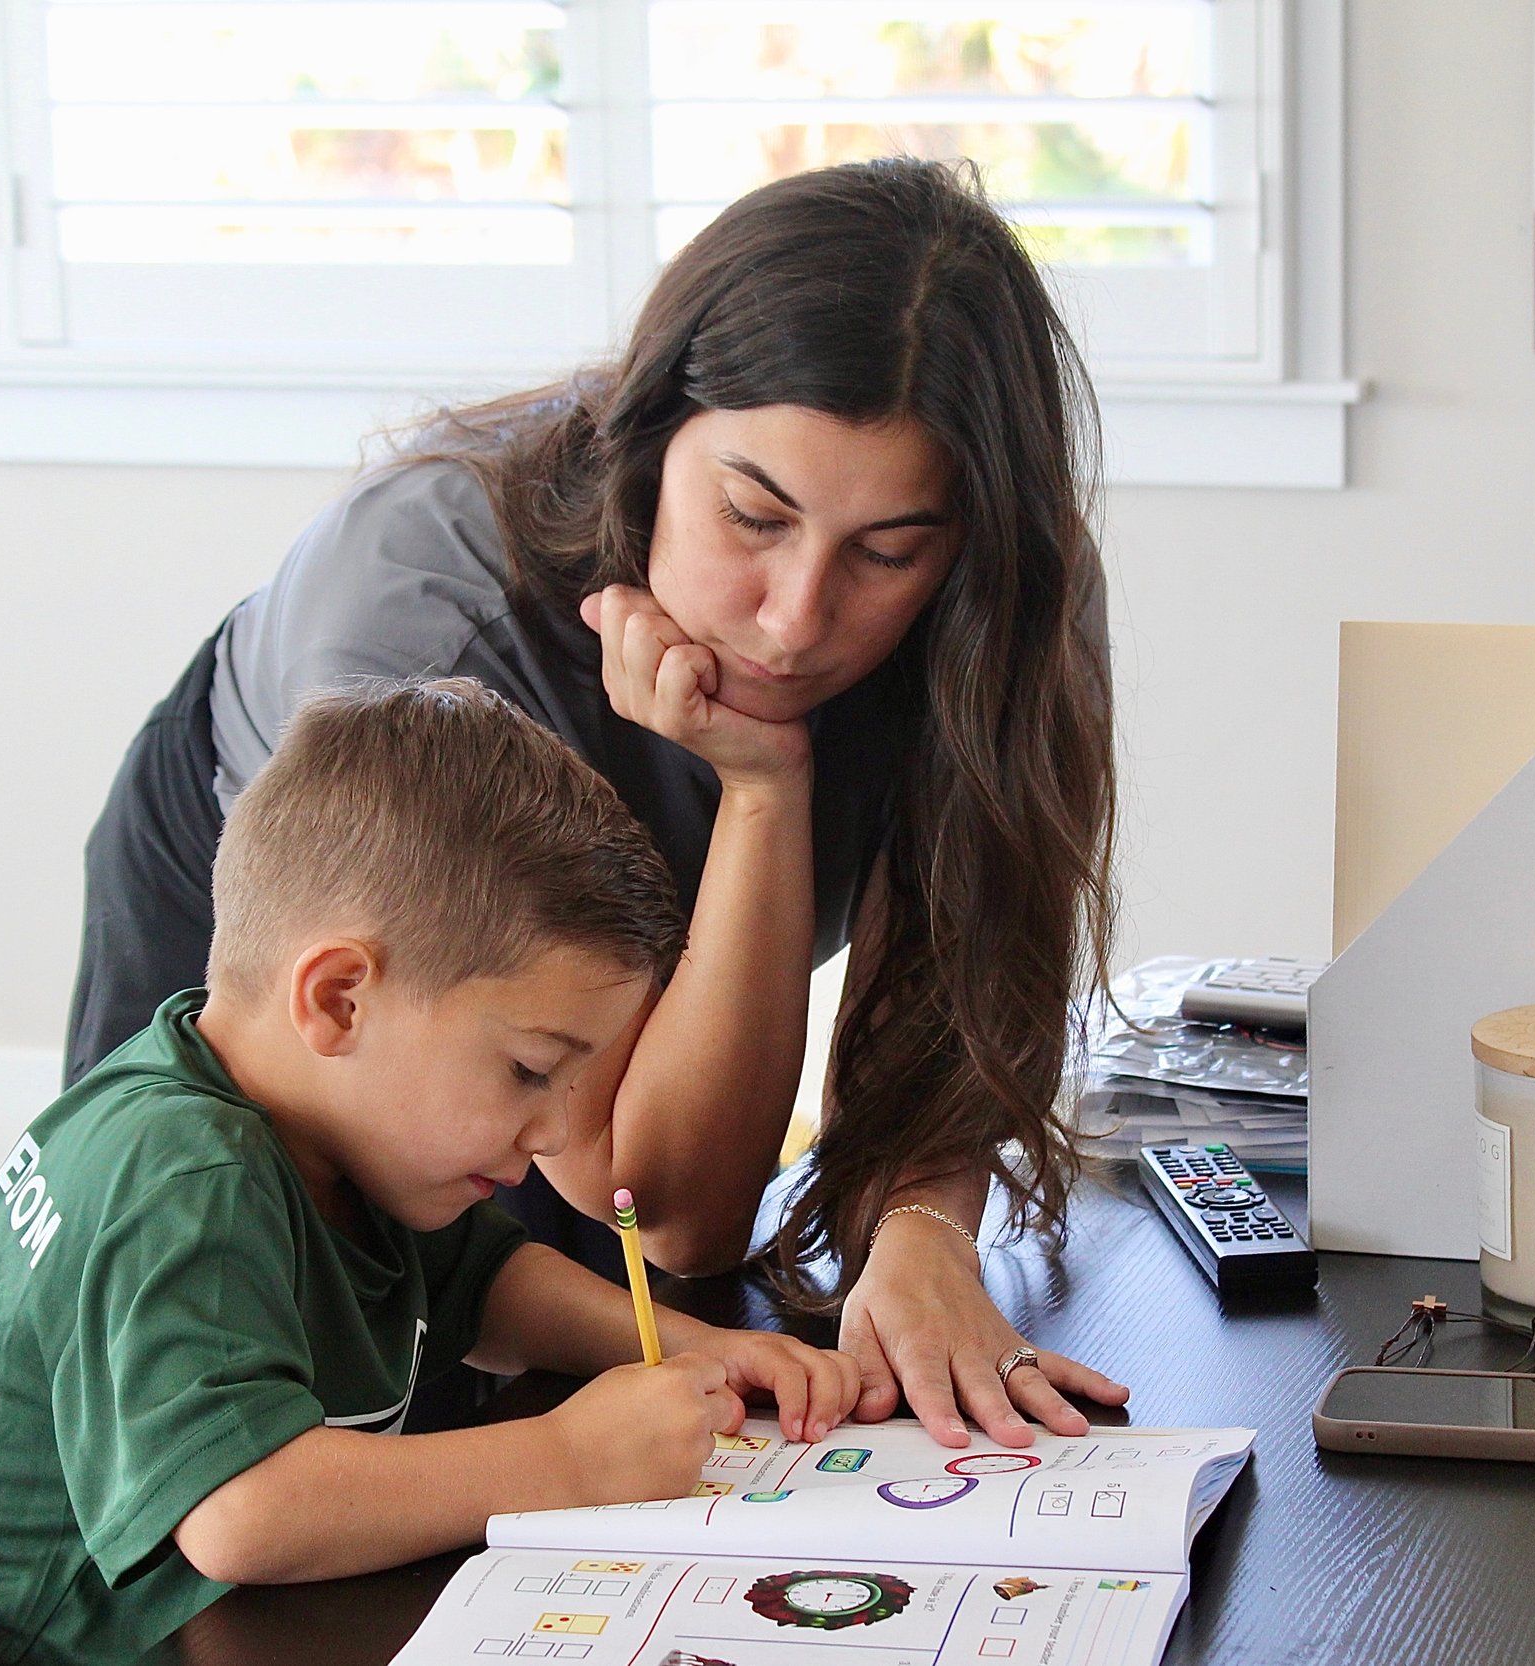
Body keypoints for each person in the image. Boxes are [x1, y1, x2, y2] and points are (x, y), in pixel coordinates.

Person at [68, 157, 1129, 1450]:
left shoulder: (1005, 593)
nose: (795, 619)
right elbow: (657, 1196)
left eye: (889, 551)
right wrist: (763, 780)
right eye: (753, 513)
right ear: (649, 429)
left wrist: (920, 1232)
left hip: (593, 996)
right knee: (274, 1391)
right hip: (313, 916)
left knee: (631, 1367)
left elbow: (945, 989)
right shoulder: (431, 614)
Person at [0, 682, 861, 1665]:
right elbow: (244, 1510)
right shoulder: (177, 1169)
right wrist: (569, 1458)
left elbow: (483, 1288)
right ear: (339, 998)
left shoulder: (342, 1136)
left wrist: (689, 1344)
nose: (554, 1132)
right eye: (530, 1069)